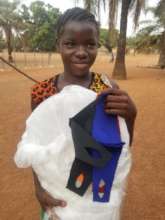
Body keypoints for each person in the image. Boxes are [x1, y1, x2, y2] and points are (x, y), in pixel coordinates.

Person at [29, 7, 136, 219]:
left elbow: (120, 146)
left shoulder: (106, 89)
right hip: (56, 188)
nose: (81, 51)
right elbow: (35, 146)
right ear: (58, 44)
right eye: (70, 44)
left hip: (96, 191)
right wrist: (39, 189)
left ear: (98, 45)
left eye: (90, 44)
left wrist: (131, 115)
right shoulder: (42, 92)